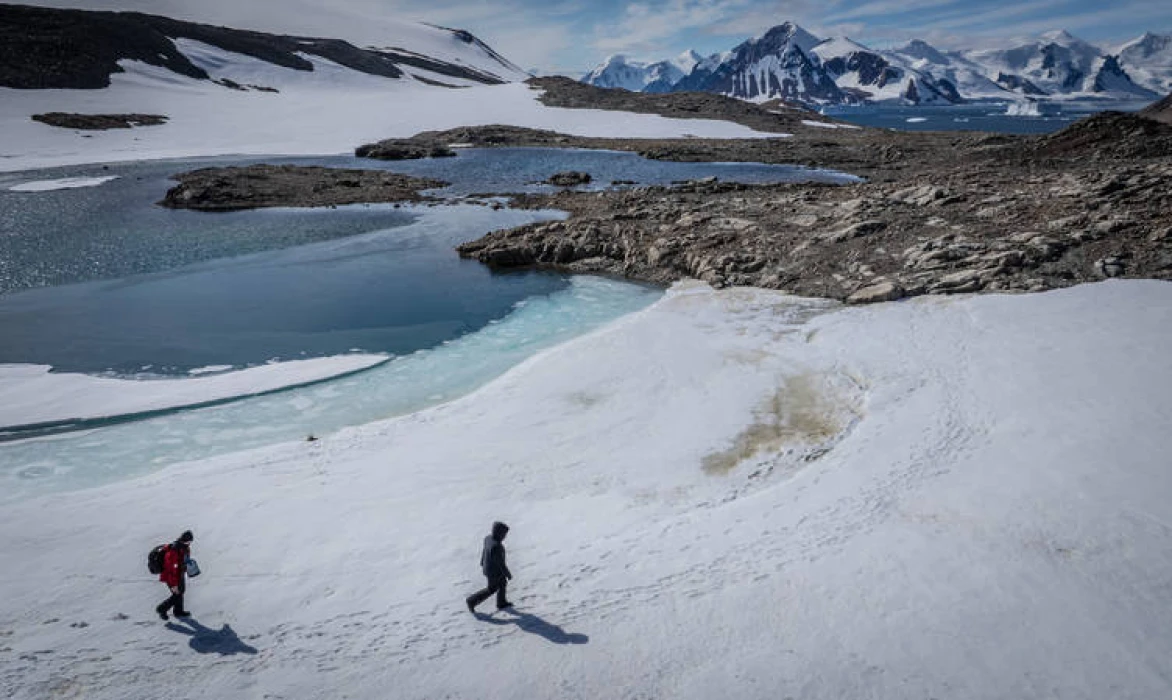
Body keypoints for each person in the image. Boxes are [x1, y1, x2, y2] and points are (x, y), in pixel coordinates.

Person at [466, 521, 513, 612]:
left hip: (488, 568)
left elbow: (485, 551)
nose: (505, 536)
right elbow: (501, 563)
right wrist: (508, 574)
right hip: (494, 572)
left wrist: (482, 562)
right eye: (504, 534)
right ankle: (471, 601)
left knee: (502, 583)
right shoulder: (496, 546)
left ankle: (501, 602)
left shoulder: (488, 538)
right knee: (492, 589)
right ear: (499, 533)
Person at [156, 530, 194, 620]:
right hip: (171, 576)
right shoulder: (174, 550)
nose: (190, 543)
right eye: (189, 541)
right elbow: (170, 569)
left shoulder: (185, 547)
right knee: (177, 594)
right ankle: (162, 609)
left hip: (179, 574)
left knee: (181, 592)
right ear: (184, 540)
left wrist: (187, 565)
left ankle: (178, 611)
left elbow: (183, 561)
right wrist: (173, 584)